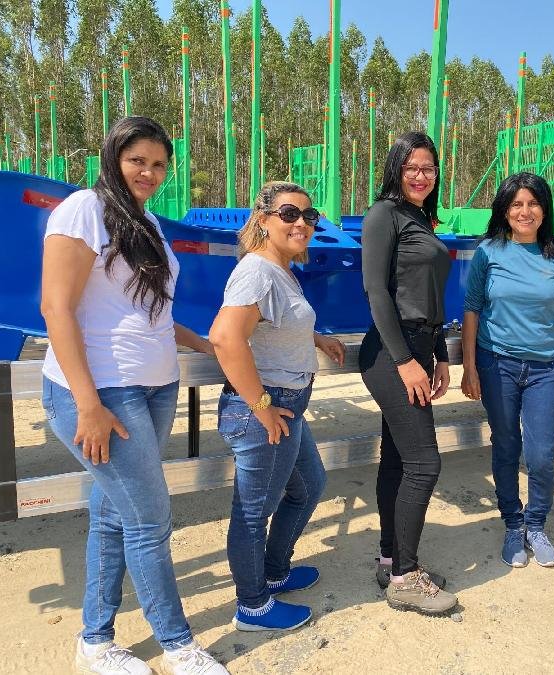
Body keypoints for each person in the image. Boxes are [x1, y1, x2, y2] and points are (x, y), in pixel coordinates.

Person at [40, 116, 228, 674]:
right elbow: (56, 308)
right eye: (137, 160)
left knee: (116, 516)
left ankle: (94, 640)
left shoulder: (144, 221)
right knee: (150, 519)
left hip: (154, 386)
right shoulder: (84, 209)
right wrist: (88, 403)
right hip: (102, 391)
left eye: (158, 164)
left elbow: (149, 311)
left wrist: (203, 343)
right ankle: (177, 645)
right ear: (112, 157)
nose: (148, 172)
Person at [208, 181, 345, 631]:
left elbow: (277, 323)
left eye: (310, 216)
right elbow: (226, 338)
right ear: (263, 219)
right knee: (253, 512)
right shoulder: (258, 271)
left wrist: (315, 337)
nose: (301, 223)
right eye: (289, 214)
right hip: (265, 411)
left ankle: (274, 571)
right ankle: (252, 606)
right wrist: (261, 405)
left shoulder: (280, 270)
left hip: (286, 405)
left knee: (309, 487)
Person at [460, 172, 554, 569]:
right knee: (505, 447)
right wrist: (469, 367)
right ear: (505, 209)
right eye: (517, 204)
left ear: (545, 209)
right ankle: (513, 525)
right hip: (496, 363)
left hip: (545, 369)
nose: (525, 211)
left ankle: (536, 525)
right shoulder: (488, 252)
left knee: (541, 453)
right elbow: (472, 309)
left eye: (533, 203)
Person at [359, 131, 458, 615]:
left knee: (398, 461)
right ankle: (405, 576)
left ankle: (390, 558)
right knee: (425, 463)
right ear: (396, 168)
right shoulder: (384, 214)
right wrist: (405, 362)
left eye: (430, 168)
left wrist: (438, 354)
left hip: (420, 344)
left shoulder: (420, 218)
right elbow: (377, 293)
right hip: (392, 352)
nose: (421, 176)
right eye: (412, 167)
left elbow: (428, 298)